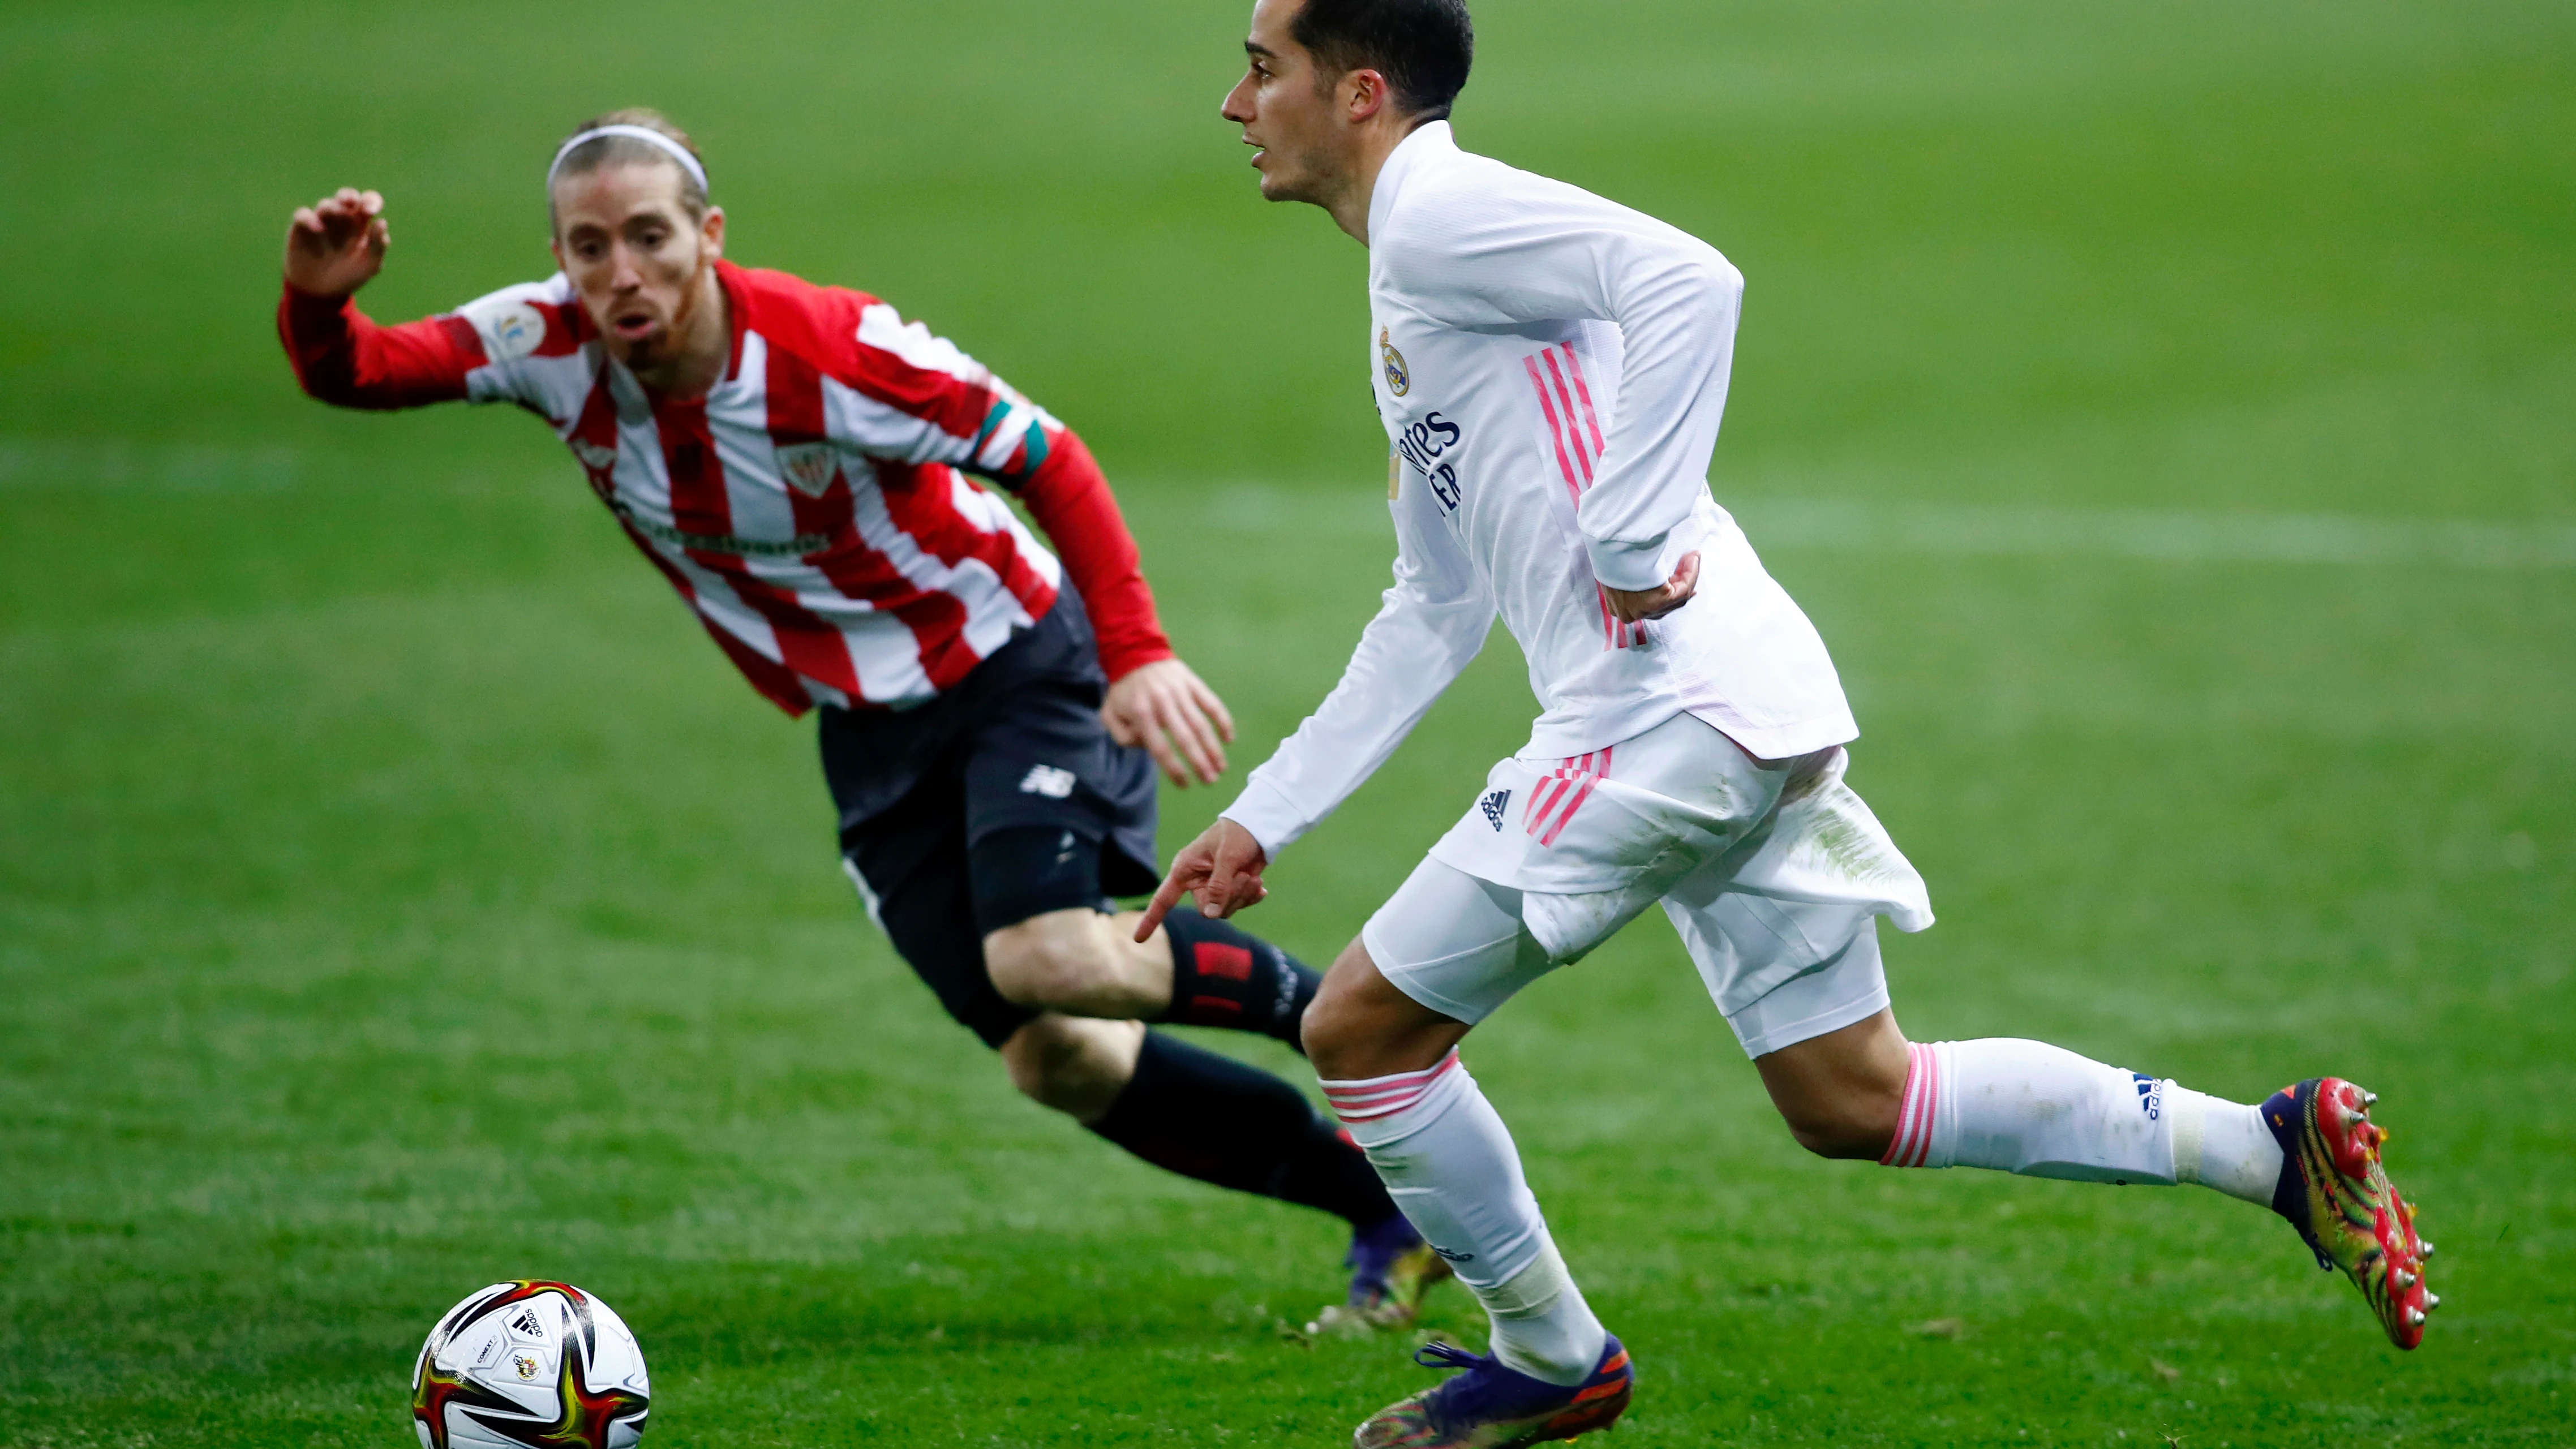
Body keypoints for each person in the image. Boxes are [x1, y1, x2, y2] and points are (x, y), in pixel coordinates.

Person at [1145, 3, 2437, 1443]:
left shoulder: (1439, 209)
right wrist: (1271, 810)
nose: (1233, 102)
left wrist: (1631, 539)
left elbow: (1690, 279)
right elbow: (1435, 602)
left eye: (1263, 69)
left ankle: (1551, 1354)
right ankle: (2266, 1150)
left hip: (1664, 712)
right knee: (1851, 1092)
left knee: (1362, 1028)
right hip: (1727, 701)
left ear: (1360, 90)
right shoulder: (1409, 267)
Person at [275, 109, 1449, 1326]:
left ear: (708, 235)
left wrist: (1134, 651)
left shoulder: (830, 348)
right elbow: (357, 369)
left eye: (649, 237)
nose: (621, 273)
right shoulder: (543, 341)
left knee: (1043, 950)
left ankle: (1357, 1021)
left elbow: (1045, 454)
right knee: (1056, 1054)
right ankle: (1383, 1209)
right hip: (868, 724)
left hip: (1010, 658)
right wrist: (319, 301)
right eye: (588, 247)